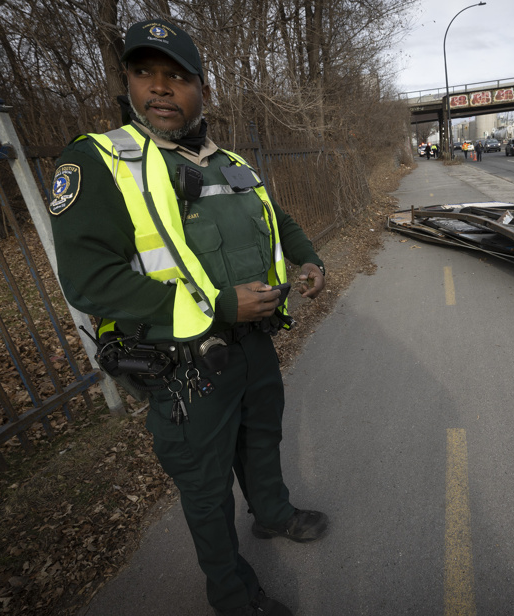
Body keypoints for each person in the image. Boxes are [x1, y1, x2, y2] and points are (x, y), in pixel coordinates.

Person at [48, 18, 328, 616]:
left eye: (177, 76)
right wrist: (216, 306)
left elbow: (281, 223)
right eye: (144, 73)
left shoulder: (230, 162)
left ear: (202, 88)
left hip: (251, 343)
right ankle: (232, 593)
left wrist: (309, 261)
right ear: (126, 84)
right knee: (204, 483)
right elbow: (88, 279)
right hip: (182, 365)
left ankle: (273, 515)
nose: (160, 88)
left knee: (263, 438)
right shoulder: (100, 161)